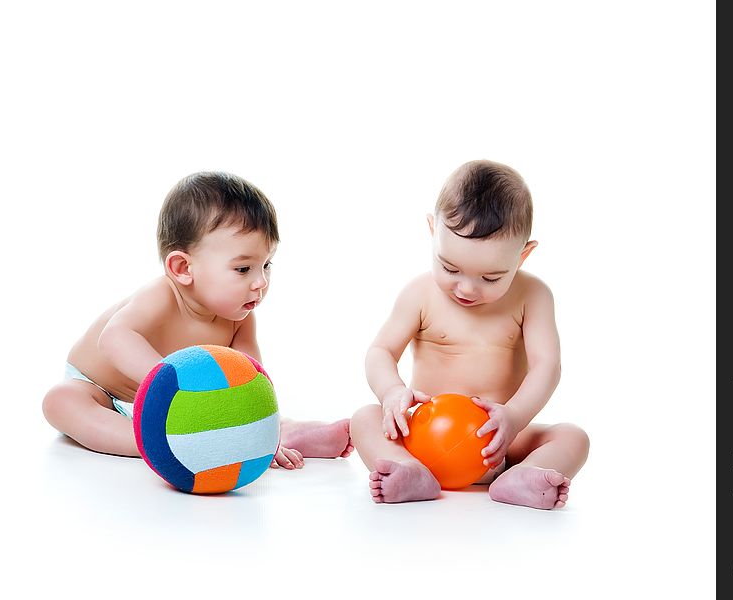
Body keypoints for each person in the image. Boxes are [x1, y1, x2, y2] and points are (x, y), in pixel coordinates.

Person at [43, 172, 353, 468]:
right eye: (244, 269)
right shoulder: (163, 295)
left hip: (183, 408)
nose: (261, 282)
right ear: (182, 268)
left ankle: (284, 432)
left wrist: (260, 432)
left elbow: (250, 381)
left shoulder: (240, 317)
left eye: (267, 265)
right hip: (100, 390)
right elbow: (113, 339)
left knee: (241, 416)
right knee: (61, 401)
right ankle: (157, 444)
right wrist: (170, 387)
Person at [350, 160, 589, 507]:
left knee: (573, 437)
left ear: (523, 255)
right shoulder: (420, 294)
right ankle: (408, 470)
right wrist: (392, 393)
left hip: (499, 442)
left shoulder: (533, 296)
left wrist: (515, 418)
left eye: (491, 278)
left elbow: (546, 366)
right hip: (424, 438)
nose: (466, 288)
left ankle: (522, 477)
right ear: (433, 232)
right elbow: (380, 352)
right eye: (449, 267)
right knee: (364, 418)